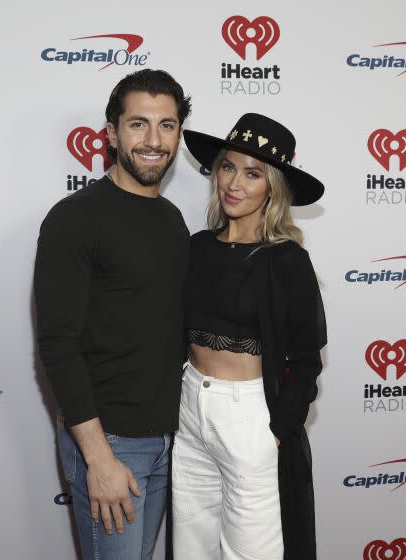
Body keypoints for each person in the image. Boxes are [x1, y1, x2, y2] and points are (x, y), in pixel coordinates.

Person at [34, 69, 191, 559]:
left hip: (172, 440)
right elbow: (58, 345)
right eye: (138, 124)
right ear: (111, 132)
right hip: (111, 443)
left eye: (166, 126)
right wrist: (98, 458)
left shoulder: (172, 220)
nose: (153, 140)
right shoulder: (74, 218)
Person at [173, 113, 327, 560]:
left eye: (252, 173)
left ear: (272, 187)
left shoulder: (288, 261)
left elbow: (306, 360)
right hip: (189, 410)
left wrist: (277, 431)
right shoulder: (197, 247)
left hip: (248, 417)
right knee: (191, 548)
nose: (234, 183)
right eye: (227, 166)